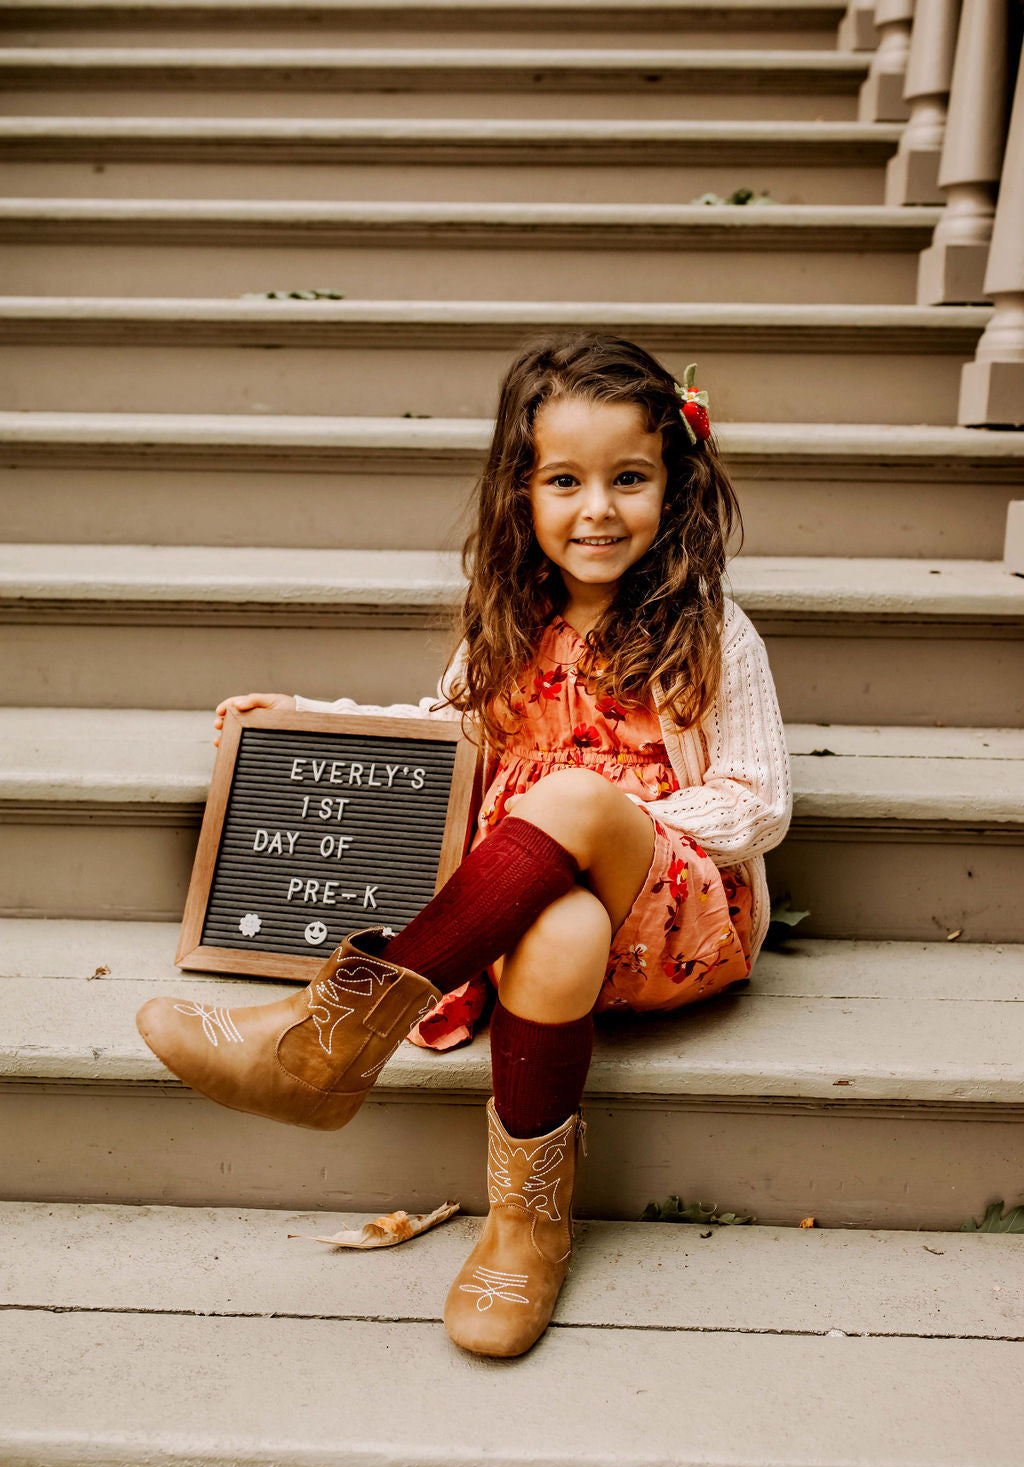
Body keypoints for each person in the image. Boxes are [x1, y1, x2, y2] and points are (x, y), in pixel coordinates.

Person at [137, 331, 791, 1360]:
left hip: (674, 914)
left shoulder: (711, 629)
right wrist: (312, 716)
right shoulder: (508, 627)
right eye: (565, 480)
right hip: (536, 925)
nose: (598, 509)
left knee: (576, 798)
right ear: (519, 494)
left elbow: (758, 806)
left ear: (675, 485)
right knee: (561, 923)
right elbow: (440, 737)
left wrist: (610, 819)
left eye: (629, 479)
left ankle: (332, 1033)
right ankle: (525, 1229)